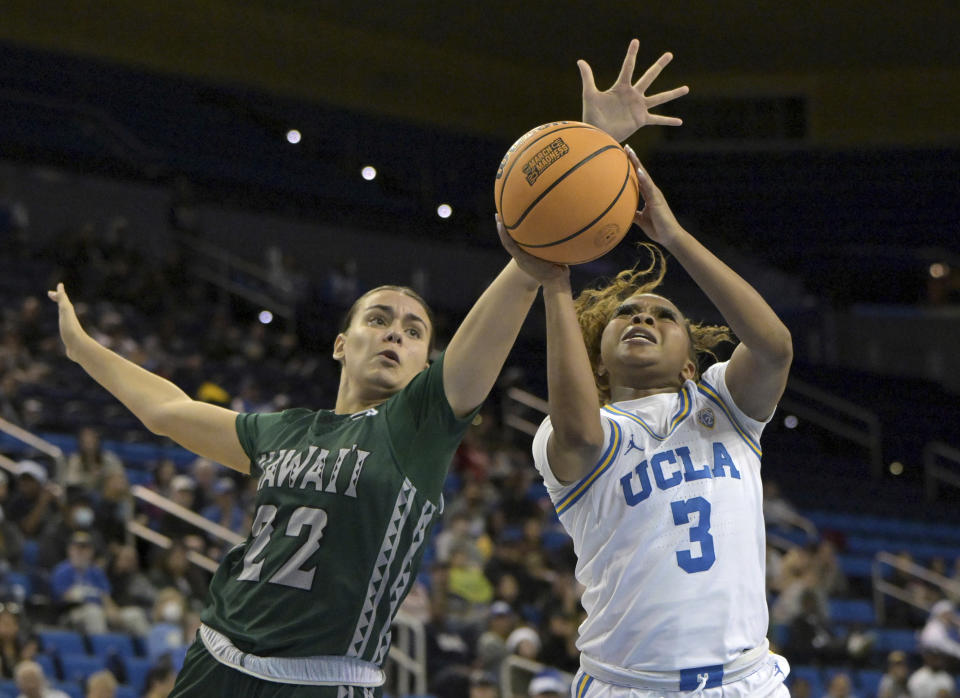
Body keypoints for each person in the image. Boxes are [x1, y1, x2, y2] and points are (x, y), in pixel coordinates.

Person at [512, 42, 794, 698]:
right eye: (626, 316)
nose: (642, 319)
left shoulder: (725, 407)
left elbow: (774, 346)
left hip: (747, 682)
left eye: (661, 316)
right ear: (598, 358)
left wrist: (671, 233)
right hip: (629, 687)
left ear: (694, 363)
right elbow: (578, 433)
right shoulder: (581, 432)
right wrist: (554, 278)